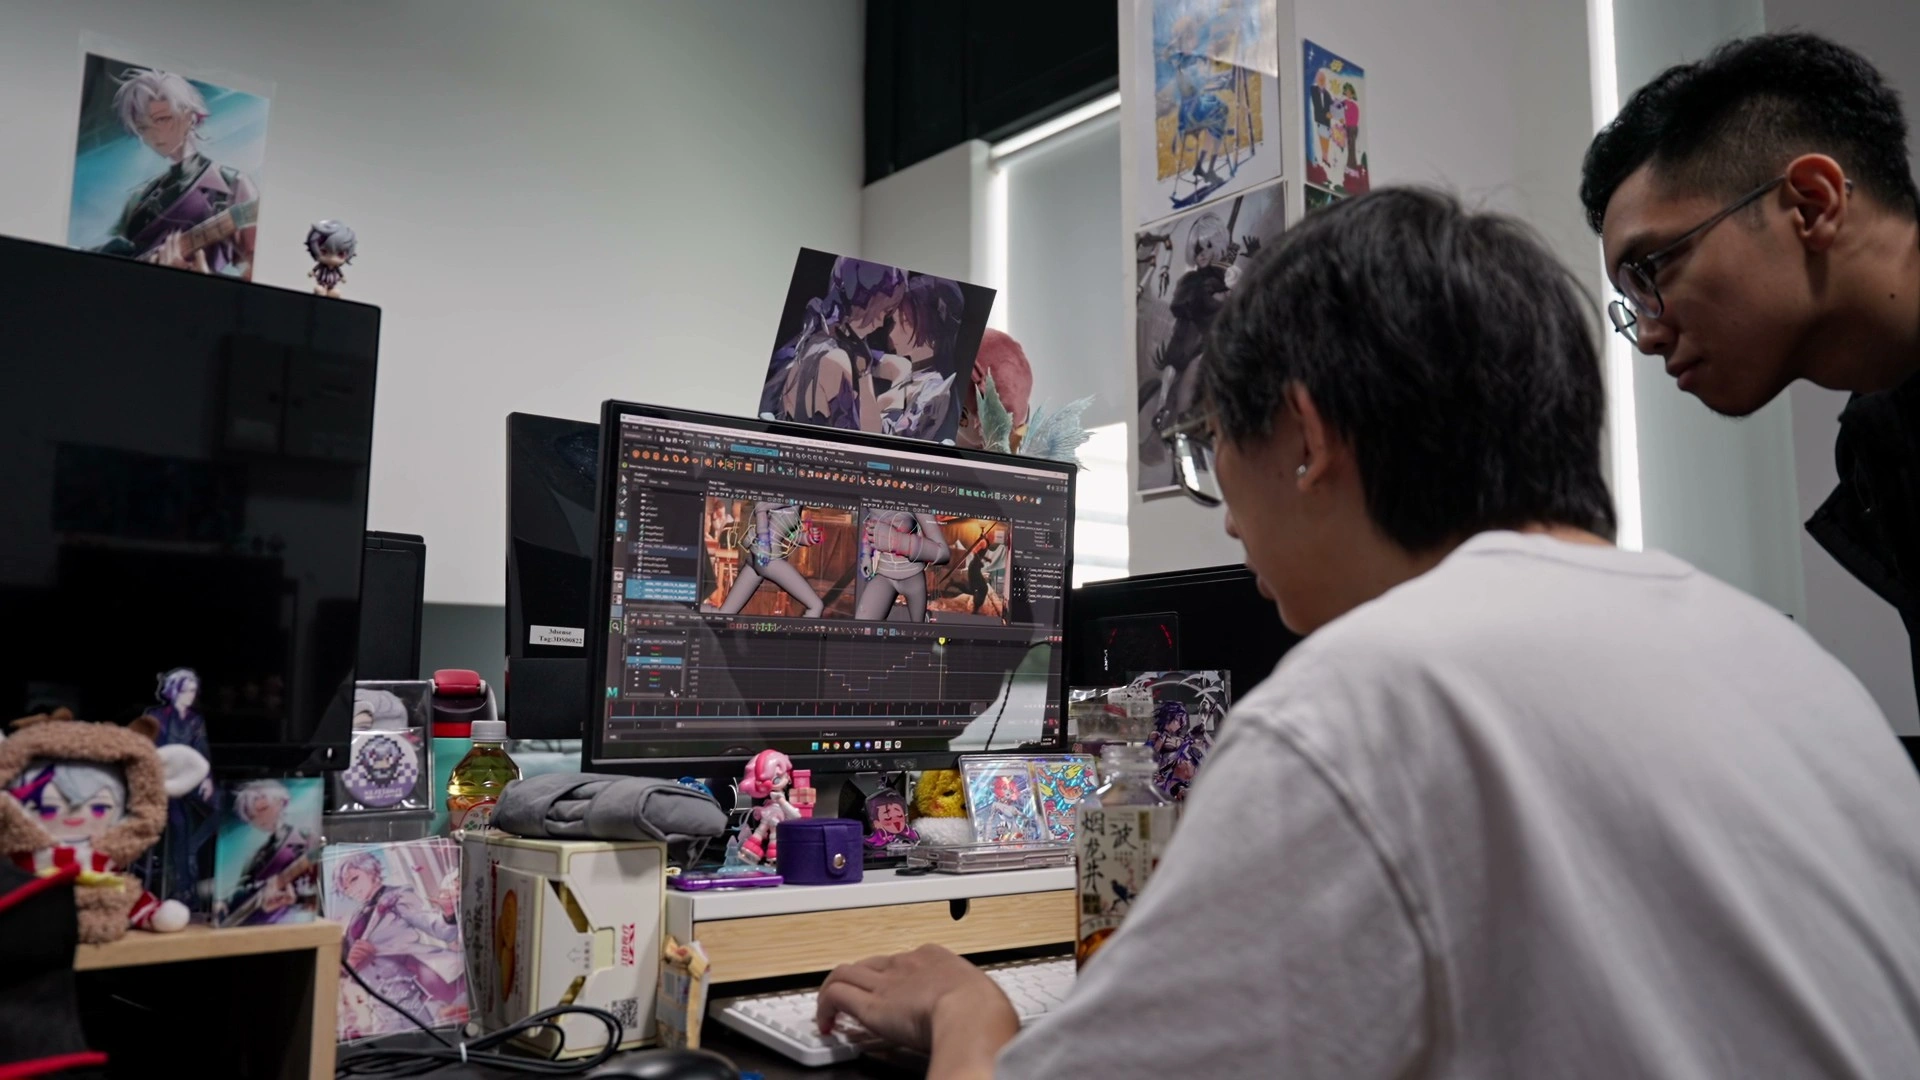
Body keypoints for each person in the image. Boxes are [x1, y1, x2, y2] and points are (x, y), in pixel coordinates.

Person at [813, 189, 1920, 1077]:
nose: (1225, 510)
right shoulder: (1799, 671)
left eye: (1206, 452)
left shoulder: (1363, 703)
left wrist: (971, 1011)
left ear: (1303, 434)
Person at [1580, 32, 1920, 711]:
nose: (1646, 334)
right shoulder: (1882, 447)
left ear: (1813, 205)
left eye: (1651, 270)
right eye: (1630, 300)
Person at [95, 67, 258, 277]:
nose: (153, 135)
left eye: (162, 119)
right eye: (143, 128)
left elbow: (254, 273)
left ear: (189, 116)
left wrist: (204, 278)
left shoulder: (233, 184)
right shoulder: (139, 198)